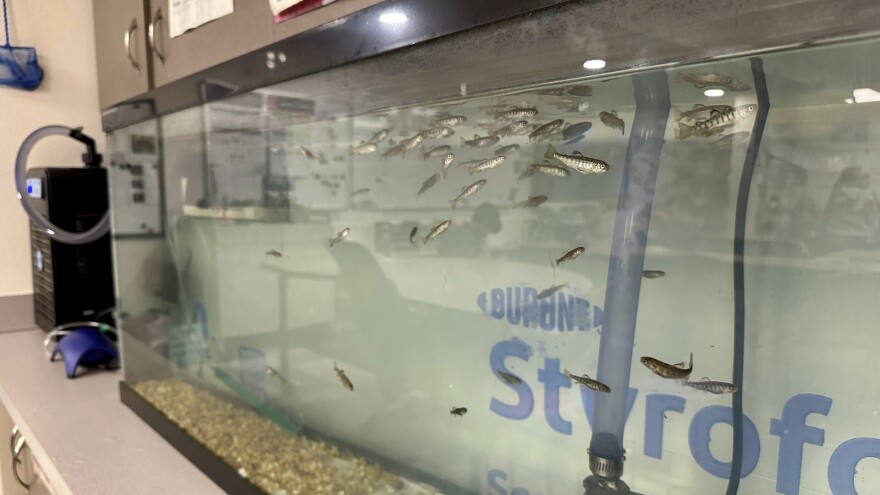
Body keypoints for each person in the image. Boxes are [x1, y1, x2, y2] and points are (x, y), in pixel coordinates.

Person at [819, 165, 880, 252]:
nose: (869, 181)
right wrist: (874, 230)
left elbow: (827, 213)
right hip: (858, 236)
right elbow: (874, 217)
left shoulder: (836, 193)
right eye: (865, 177)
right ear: (850, 180)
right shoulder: (867, 194)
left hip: (834, 234)